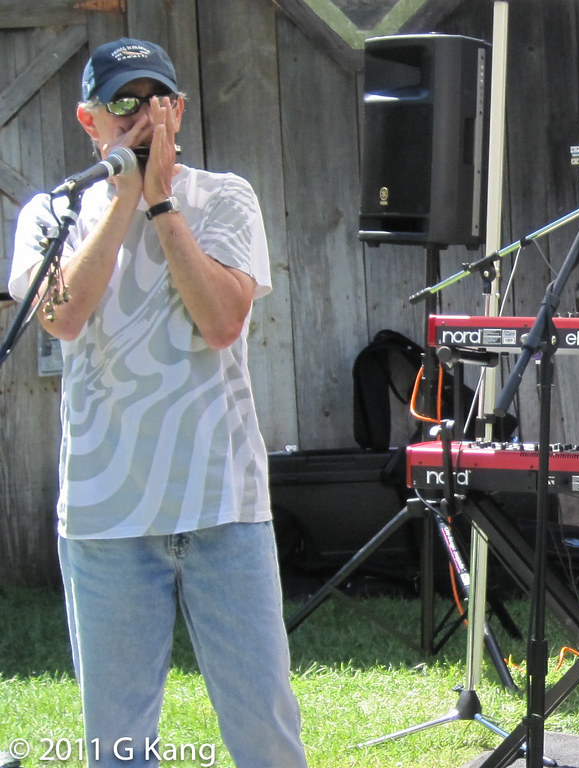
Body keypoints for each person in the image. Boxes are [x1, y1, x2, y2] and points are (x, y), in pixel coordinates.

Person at [8, 39, 308, 767]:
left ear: (180, 110)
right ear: (89, 120)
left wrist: (163, 203)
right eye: (124, 103)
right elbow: (64, 316)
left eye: (159, 100)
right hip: (108, 515)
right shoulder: (51, 213)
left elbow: (223, 321)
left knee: (266, 734)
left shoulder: (227, 197)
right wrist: (121, 201)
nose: (144, 117)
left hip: (223, 507)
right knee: (117, 745)